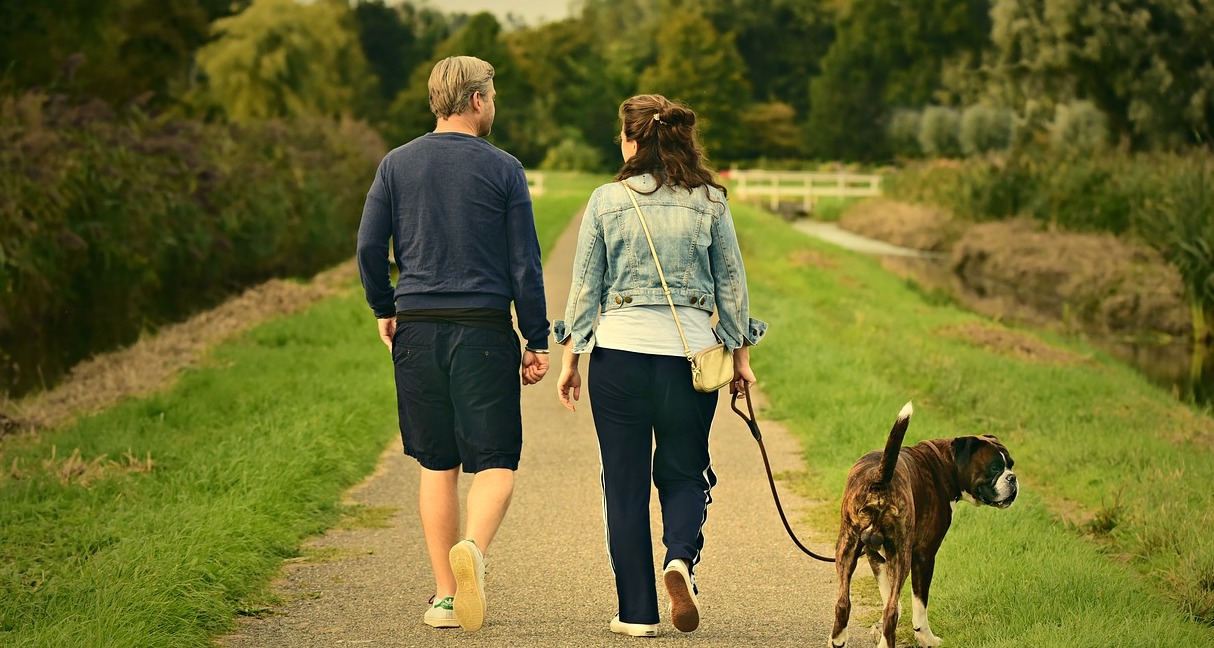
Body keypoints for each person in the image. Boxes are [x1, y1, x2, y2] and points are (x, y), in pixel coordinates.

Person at [553, 94, 767, 637]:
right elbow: (733, 289)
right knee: (684, 471)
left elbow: (585, 290)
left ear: (632, 140)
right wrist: (740, 360)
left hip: (619, 358)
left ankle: (637, 614)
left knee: (623, 485)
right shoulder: (711, 202)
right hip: (689, 361)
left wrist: (571, 360)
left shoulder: (605, 200)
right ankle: (679, 559)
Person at [355, 55, 550, 633]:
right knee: (495, 462)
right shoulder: (505, 169)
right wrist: (535, 339)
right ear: (474, 101)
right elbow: (525, 264)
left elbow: (369, 247)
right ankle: (473, 549)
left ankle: (444, 595)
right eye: (492, 95)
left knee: (437, 464)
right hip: (483, 331)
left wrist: (384, 307)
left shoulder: (395, 165)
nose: (494, 105)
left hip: (415, 327)